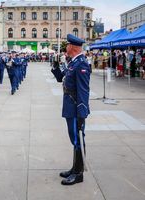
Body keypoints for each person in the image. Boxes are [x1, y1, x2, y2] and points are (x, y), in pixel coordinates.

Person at [51, 34, 90, 185]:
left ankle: (78, 174)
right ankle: (74, 168)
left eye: (67, 45)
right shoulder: (73, 62)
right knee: (74, 139)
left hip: (75, 109)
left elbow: (83, 91)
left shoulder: (81, 64)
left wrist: (82, 113)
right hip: (69, 105)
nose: (65, 47)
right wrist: (55, 65)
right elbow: (62, 78)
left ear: (72, 47)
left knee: (78, 139)